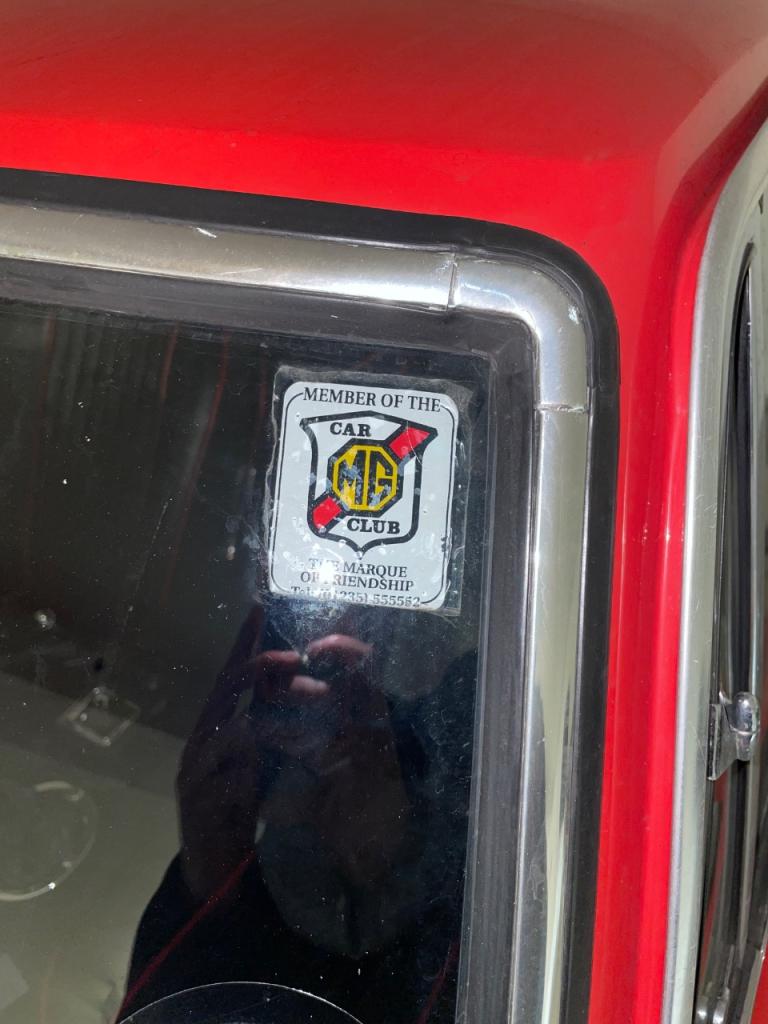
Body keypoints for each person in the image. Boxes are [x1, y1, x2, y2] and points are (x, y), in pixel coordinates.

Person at [119, 599, 476, 1024]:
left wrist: (209, 893)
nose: (315, 671)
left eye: (333, 666)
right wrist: (213, 879)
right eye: (291, 630)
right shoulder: (463, 739)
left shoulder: (463, 728)